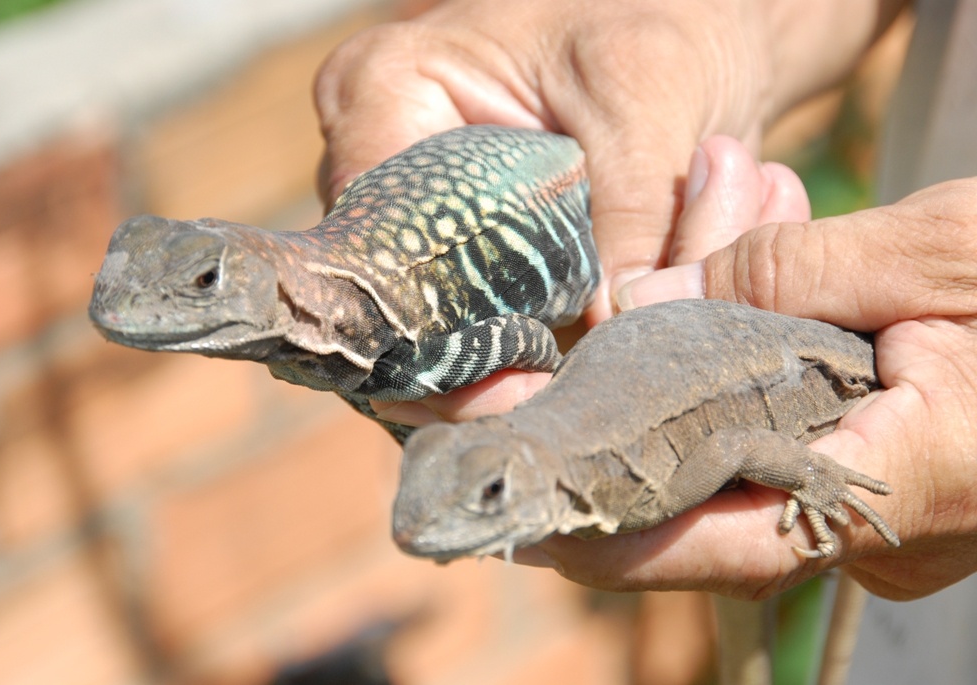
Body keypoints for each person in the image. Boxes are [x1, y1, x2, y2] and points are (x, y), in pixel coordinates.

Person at [312, 0, 977, 603]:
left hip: (859, 372)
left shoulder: (631, 496)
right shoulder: (573, 463)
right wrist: (711, 28)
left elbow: (735, 446)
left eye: (490, 496)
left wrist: (814, 479)